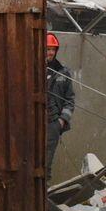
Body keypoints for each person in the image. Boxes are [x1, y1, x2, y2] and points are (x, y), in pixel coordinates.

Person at [45, 33, 75, 172]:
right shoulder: (31, 70)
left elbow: (70, 99)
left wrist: (62, 120)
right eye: (47, 49)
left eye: (53, 49)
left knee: (46, 164)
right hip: (32, 124)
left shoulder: (63, 72)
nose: (50, 52)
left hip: (53, 123)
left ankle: (45, 185)